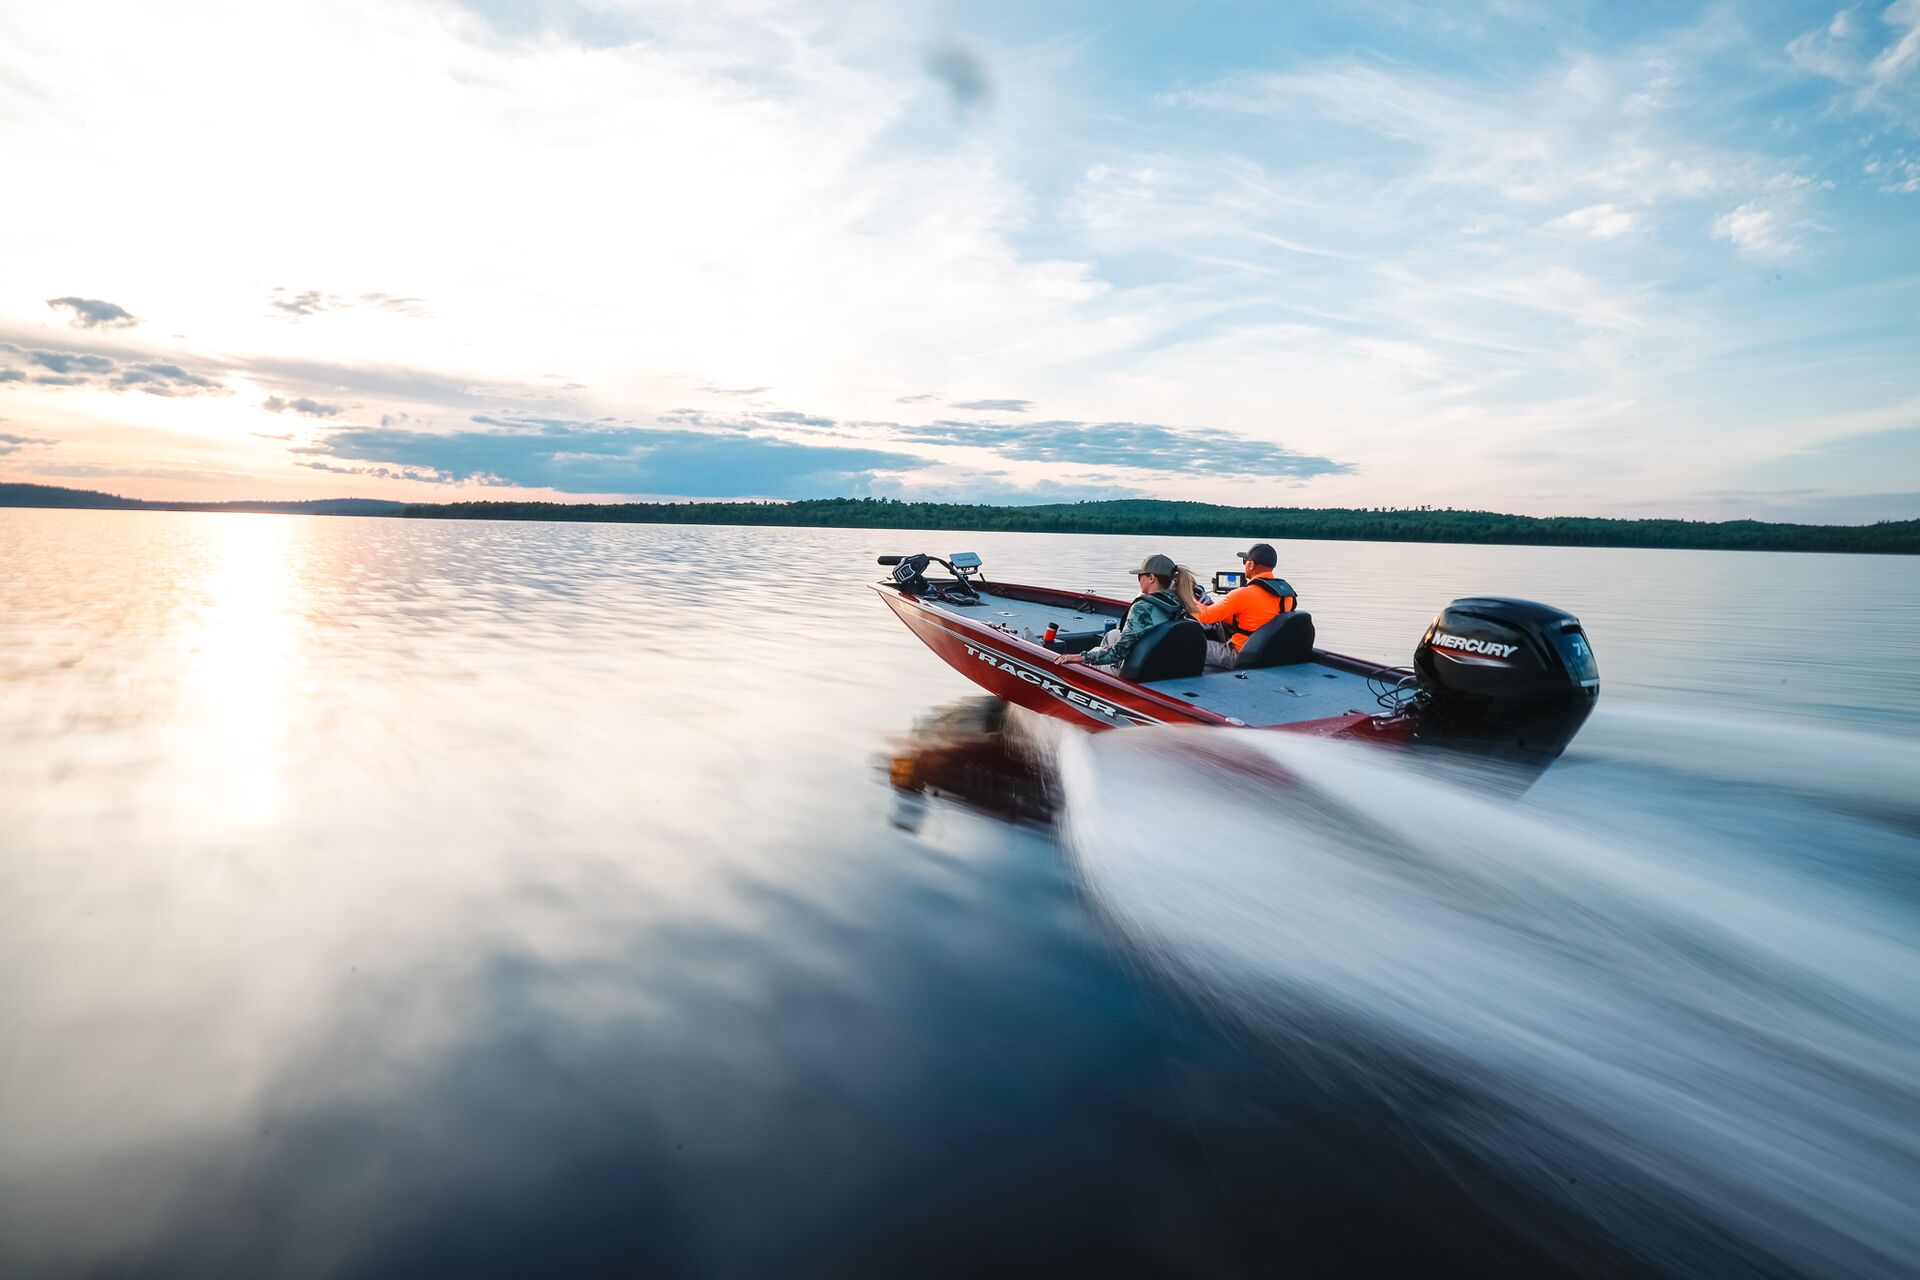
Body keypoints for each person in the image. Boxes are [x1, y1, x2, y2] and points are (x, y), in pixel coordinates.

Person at [1055, 554, 1189, 668]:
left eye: (1140, 576)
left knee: (1090, 656)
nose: (1139, 581)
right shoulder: (1178, 602)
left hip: (1138, 667)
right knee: (1111, 634)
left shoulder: (1142, 608)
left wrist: (1081, 657)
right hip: (1158, 658)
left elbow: (1117, 654)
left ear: (1152, 578)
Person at [1177, 542, 1295, 669]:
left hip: (1241, 654)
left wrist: (1189, 599)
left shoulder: (1243, 594)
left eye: (1245, 561)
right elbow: (1258, 618)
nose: (1244, 564)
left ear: (1252, 564)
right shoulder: (1287, 594)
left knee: (1192, 645)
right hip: (1268, 652)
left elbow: (1205, 616)